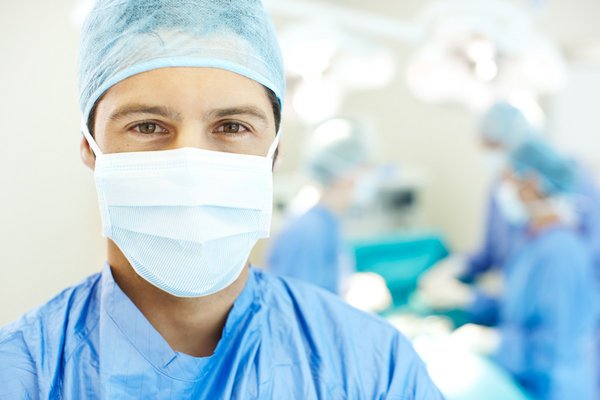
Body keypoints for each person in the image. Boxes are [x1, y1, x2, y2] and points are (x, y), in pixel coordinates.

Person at [0, 0, 444, 398]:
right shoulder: (21, 374)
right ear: (89, 147)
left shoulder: (373, 368)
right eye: (148, 126)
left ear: (275, 152)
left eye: (232, 127)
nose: (190, 162)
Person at [451, 139, 598, 399]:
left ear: (531, 184)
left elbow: (551, 350)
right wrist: (469, 299)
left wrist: (495, 342)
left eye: (507, 180)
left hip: (553, 390)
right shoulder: (532, 241)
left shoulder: (560, 253)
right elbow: (518, 311)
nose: (502, 190)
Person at [267, 118, 373, 294]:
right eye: (363, 168)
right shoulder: (309, 227)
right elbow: (302, 306)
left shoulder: (324, 219)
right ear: (346, 174)